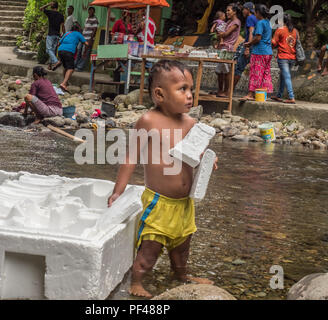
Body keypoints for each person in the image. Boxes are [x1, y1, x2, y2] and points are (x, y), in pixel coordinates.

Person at [107, 60, 217, 298]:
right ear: (159, 94)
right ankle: (137, 280)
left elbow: (198, 155)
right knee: (149, 249)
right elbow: (130, 159)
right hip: (158, 203)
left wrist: (208, 160)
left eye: (191, 90)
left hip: (184, 204)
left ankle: (180, 274)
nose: (190, 96)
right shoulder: (149, 121)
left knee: (182, 246)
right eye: (182, 89)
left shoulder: (191, 124)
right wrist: (118, 191)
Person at [241, 4, 273, 101]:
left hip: (259, 52)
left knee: (256, 72)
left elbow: (258, 38)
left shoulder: (260, 23)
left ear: (258, 13)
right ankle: (262, 95)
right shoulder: (268, 23)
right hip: (268, 52)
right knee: (265, 73)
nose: (254, 14)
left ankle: (251, 94)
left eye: (255, 12)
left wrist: (249, 44)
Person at [215, 3, 241, 97]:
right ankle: (220, 90)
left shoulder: (236, 22)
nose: (227, 12)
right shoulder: (229, 22)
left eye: (228, 10)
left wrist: (218, 35)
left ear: (234, 12)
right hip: (222, 48)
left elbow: (225, 34)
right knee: (219, 71)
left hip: (228, 48)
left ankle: (226, 91)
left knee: (226, 70)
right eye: (226, 10)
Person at [271, 14, 297, 104]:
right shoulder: (295, 31)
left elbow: (274, 43)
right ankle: (279, 95)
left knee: (286, 76)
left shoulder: (280, 30)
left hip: (283, 57)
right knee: (283, 75)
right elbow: (296, 43)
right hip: (292, 57)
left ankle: (291, 97)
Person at [233, 2, 258, 90]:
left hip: (249, 45)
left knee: (238, 68)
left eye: (244, 9)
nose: (243, 11)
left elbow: (251, 31)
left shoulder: (250, 18)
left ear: (248, 10)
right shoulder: (255, 18)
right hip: (254, 46)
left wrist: (247, 47)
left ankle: (230, 91)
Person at [57, 24, 89, 92]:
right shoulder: (78, 34)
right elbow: (86, 43)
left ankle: (65, 82)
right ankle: (63, 83)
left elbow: (58, 43)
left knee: (66, 68)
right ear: (78, 30)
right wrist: (85, 51)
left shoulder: (66, 33)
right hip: (69, 51)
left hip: (60, 50)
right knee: (71, 69)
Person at [40, 1, 65, 71]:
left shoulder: (50, 12)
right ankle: (50, 65)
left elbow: (41, 8)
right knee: (53, 50)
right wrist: (64, 35)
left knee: (48, 50)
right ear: (57, 7)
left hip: (51, 34)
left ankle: (56, 61)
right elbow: (63, 26)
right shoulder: (61, 15)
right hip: (57, 35)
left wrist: (47, 4)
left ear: (51, 6)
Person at [75, 6, 99, 72]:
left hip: (89, 39)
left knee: (85, 53)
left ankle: (80, 67)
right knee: (79, 51)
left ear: (94, 12)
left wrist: (90, 40)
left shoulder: (95, 19)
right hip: (83, 38)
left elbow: (94, 30)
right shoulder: (87, 18)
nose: (90, 12)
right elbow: (85, 29)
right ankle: (75, 65)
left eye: (92, 11)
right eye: (89, 10)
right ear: (88, 11)